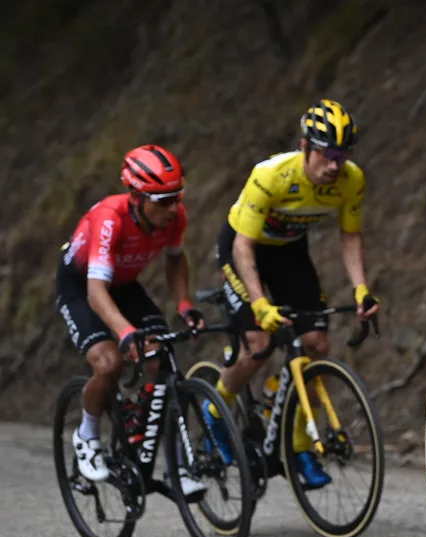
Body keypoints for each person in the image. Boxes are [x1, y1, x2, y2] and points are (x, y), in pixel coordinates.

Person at [204, 99, 380, 488]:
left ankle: (299, 445)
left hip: (289, 253)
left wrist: (361, 289)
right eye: (326, 155)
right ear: (305, 147)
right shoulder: (271, 176)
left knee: (316, 344)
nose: (334, 165)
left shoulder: (351, 180)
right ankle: (214, 411)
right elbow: (243, 246)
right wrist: (260, 303)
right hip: (243, 248)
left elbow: (350, 236)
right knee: (258, 343)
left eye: (342, 156)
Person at [56, 144, 205, 496]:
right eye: (163, 201)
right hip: (82, 286)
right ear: (136, 197)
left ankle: (176, 464)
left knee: (161, 359)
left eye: (177, 197)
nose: (173, 208)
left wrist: (184, 305)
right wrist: (124, 332)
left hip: (123, 286)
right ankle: (87, 435)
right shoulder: (110, 219)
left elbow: (175, 260)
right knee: (108, 363)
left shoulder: (174, 217)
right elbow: (96, 292)